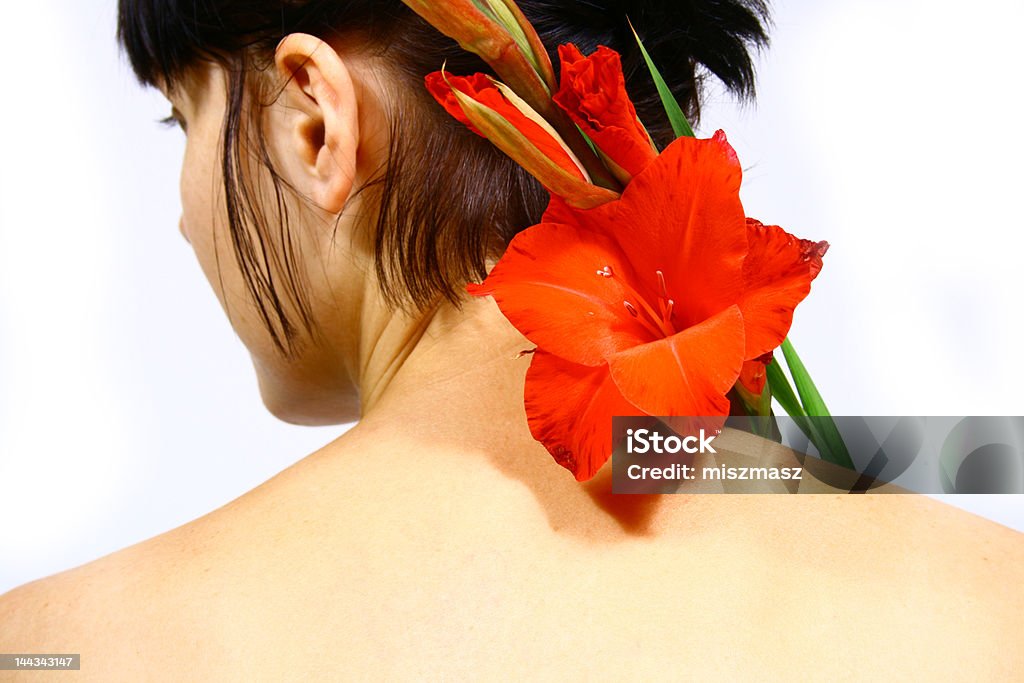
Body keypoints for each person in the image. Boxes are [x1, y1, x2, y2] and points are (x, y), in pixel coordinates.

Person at [1, 0, 1020, 679]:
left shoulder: (61, 648)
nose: (184, 215)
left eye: (183, 121)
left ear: (314, 120)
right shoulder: (989, 606)